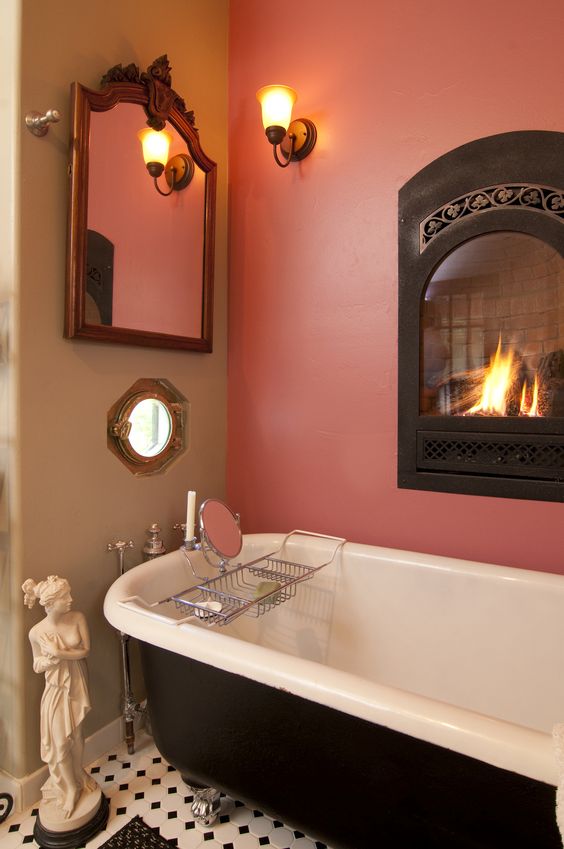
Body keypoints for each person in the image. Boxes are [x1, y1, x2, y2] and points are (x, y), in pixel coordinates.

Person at [22, 575, 97, 818]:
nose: (71, 599)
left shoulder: (77, 619)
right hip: (54, 688)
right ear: (50, 603)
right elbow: (36, 665)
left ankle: (79, 774)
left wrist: (60, 652)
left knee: (77, 734)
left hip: (75, 682)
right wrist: (49, 659)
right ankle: (69, 788)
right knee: (60, 742)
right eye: (65, 596)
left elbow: (85, 651)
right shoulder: (36, 633)